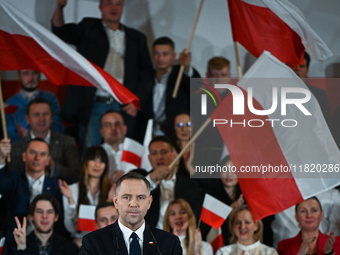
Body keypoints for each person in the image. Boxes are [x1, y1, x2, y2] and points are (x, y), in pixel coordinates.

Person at [52, 0, 154, 150]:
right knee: (91, 152)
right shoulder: (88, 27)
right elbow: (60, 32)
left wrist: (136, 101)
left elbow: (147, 74)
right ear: (100, 7)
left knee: (123, 151)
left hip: (123, 105)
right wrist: (60, 8)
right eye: (109, 3)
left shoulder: (137, 38)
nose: (114, 7)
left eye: (118, 4)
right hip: (93, 104)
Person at [79, 172, 183, 255]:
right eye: (127, 197)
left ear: (149, 202)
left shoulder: (169, 243)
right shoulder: (94, 242)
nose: (133, 204)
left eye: (140, 198)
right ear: (116, 202)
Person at [0, 138, 66, 253]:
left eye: (42, 154)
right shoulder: (13, 178)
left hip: (45, 245)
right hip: (14, 242)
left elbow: (59, 223)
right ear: (24, 156)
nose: (37, 158)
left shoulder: (56, 186)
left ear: (48, 160)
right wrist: (1, 159)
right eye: (33, 152)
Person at [135, 136, 202, 230]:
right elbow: (132, 199)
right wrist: (151, 178)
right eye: (154, 153)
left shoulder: (189, 185)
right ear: (149, 158)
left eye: (164, 152)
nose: (159, 157)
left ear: (173, 155)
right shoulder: (139, 178)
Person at [9, 98, 80, 184]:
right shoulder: (17, 147)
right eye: (36, 115)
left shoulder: (67, 142)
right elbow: (11, 179)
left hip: (59, 194)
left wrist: (53, 166)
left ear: (52, 117)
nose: (41, 118)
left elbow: (76, 175)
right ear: (27, 119)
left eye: (45, 114)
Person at [59, 146, 112, 247]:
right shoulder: (72, 190)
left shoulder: (112, 190)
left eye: (101, 161)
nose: (97, 165)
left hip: (105, 242)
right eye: (93, 159)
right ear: (85, 162)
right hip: (80, 242)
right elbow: (70, 228)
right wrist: (70, 199)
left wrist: (109, 201)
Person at [151, 36, 200, 136]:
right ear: (152, 55)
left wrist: (186, 67)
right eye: (157, 54)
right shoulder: (145, 75)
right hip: (148, 132)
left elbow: (197, 87)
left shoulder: (180, 74)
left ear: (174, 55)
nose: (160, 58)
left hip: (174, 133)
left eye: (165, 54)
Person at [6, 69, 63, 142]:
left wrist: (37, 134)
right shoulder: (10, 103)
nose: (30, 78)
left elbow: (58, 128)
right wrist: (20, 137)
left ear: (40, 75)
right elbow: (8, 134)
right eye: (26, 73)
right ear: (19, 76)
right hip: (21, 149)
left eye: (34, 73)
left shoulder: (51, 98)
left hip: (48, 146)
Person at [10, 193, 78, 255]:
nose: (44, 216)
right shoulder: (16, 246)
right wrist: (22, 248)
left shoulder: (71, 248)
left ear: (56, 217)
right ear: (31, 216)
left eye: (49, 212)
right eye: (39, 211)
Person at [271, 189, 340, 248]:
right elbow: (282, 231)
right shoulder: (281, 197)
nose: (309, 215)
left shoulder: (333, 194)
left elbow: (335, 229)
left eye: (314, 210)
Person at [100, 110, 145, 184]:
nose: (113, 128)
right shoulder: (94, 154)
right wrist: (109, 182)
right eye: (108, 125)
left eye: (117, 124)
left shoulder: (139, 150)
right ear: (102, 131)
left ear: (125, 129)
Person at [162, 111, 192, 177]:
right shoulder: (168, 150)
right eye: (179, 125)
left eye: (188, 125)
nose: (184, 129)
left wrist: (189, 167)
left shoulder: (202, 150)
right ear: (172, 128)